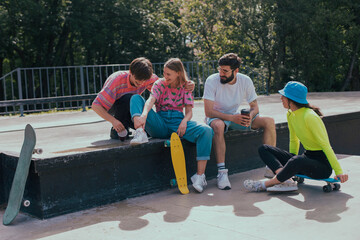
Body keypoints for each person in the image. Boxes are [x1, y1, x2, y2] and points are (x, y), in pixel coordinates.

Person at [244, 81, 349, 192]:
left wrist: (339, 172)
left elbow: (326, 146)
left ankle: (265, 185)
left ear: (291, 100)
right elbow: (293, 140)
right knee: (264, 149)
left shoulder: (310, 116)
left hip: (321, 166)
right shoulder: (290, 114)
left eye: (283, 96)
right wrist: (291, 164)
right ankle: (286, 179)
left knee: (297, 160)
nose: (281, 98)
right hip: (306, 158)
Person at [130, 58, 214, 193]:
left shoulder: (186, 87)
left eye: (168, 74)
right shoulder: (159, 84)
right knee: (135, 98)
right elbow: (150, 100)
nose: (165, 76)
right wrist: (144, 115)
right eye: (164, 73)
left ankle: (199, 176)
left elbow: (189, 112)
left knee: (207, 130)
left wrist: (184, 122)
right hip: (160, 123)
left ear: (178, 73)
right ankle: (140, 133)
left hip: (178, 123)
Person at [203, 53, 276, 190]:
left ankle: (271, 166)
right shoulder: (211, 81)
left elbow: (255, 107)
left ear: (236, 71)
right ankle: (222, 173)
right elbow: (208, 112)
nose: (221, 73)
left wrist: (250, 116)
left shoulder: (245, 81)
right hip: (217, 117)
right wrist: (231, 118)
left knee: (269, 121)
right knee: (218, 126)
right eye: (220, 69)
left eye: (225, 71)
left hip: (235, 117)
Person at [92, 57, 194, 140]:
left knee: (149, 130)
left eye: (143, 81)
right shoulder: (116, 80)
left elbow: (166, 85)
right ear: (131, 72)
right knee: (129, 98)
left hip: (132, 107)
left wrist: (188, 84)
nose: (140, 84)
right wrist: (113, 121)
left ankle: (137, 128)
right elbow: (96, 106)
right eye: (137, 81)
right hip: (114, 107)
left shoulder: (150, 78)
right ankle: (117, 128)